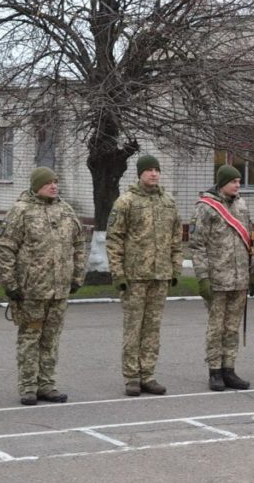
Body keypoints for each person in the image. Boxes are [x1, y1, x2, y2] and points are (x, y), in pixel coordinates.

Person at [0, 167, 86, 405]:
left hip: (59, 289)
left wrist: (76, 276)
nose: (54, 186)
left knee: (51, 339)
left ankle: (47, 384)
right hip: (31, 290)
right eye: (49, 183)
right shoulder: (21, 211)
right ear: (37, 185)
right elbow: (5, 249)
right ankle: (28, 386)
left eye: (56, 182)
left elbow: (79, 244)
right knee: (30, 338)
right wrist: (10, 283)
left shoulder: (65, 210)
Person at [106, 155, 183, 397]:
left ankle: (148, 374)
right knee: (133, 328)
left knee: (152, 328)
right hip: (134, 276)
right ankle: (131, 377)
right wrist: (118, 273)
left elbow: (176, 239)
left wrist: (175, 268)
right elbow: (114, 239)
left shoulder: (168, 202)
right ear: (139, 173)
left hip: (160, 275)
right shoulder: (126, 202)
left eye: (156, 170)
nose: (153, 174)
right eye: (148, 170)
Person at [191, 165, 254, 391]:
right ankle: (215, 371)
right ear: (222, 183)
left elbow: (250, 240)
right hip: (217, 278)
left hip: (239, 279)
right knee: (216, 328)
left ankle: (229, 369)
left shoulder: (241, 205)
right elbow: (197, 246)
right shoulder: (205, 208)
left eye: (239, 181)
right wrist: (202, 278)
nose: (238, 185)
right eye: (233, 181)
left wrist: (253, 273)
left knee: (232, 327)